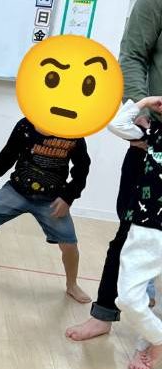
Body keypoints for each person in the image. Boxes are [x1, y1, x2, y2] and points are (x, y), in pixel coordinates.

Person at [66, 0, 162, 340]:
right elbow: (133, 56)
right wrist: (142, 117)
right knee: (129, 230)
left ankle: (149, 320)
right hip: (153, 137)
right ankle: (104, 312)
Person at [0, 117, 92, 303]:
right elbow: (8, 155)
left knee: (69, 244)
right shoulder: (25, 125)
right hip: (17, 191)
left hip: (51, 200)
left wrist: (68, 197)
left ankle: (72, 285)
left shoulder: (73, 133)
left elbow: (82, 169)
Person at [107, 95, 162, 369]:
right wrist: (145, 102)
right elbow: (116, 125)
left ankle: (148, 345)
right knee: (127, 298)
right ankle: (158, 338)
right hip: (146, 229)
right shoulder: (155, 133)